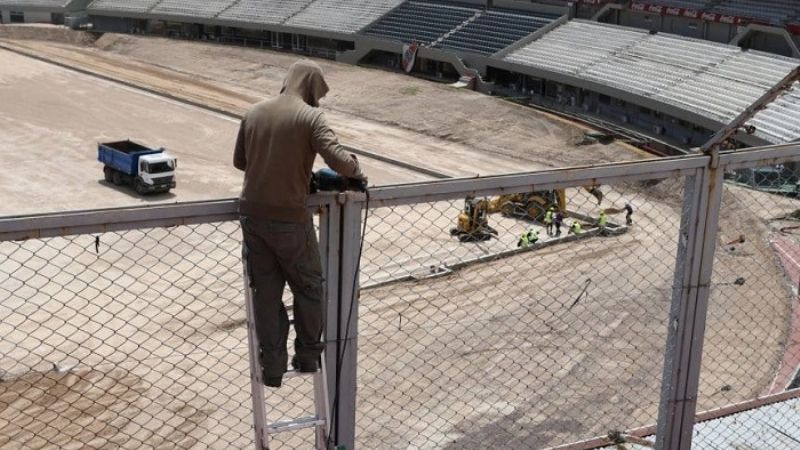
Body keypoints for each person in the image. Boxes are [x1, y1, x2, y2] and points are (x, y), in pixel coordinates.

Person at [234, 60, 366, 388]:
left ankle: (273, 367)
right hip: (290, 220)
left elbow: (240, 162)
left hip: (252, 217)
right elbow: (337, 159)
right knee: (309, 287)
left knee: (265, 294)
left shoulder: (253, 112)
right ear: (311, 88)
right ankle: (307, 356)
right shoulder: (310, 116)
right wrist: (355, 170)